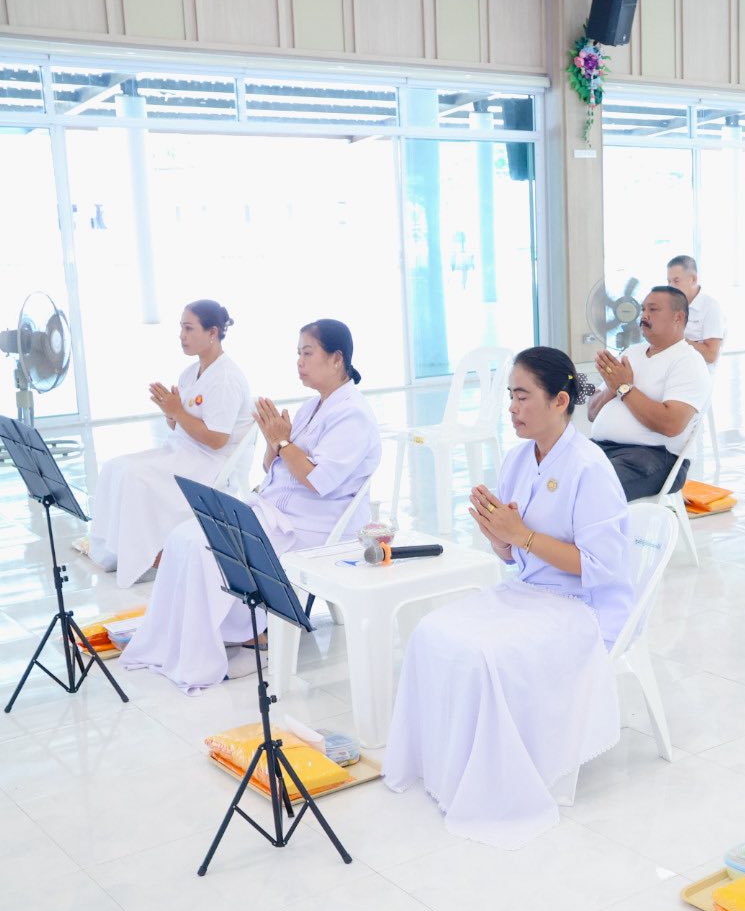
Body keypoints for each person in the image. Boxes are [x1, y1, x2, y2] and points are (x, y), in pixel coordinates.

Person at [384, 347, 632, 848]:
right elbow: (515, 555)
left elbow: (601, 567)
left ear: (560, 400)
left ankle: (499, 778)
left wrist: (520, 537)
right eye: (509, 397)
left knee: (485, 655)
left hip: (582, 606)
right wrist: (498, 535)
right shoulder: (519, 458)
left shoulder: (589, 466)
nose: (512, 408)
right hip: (528, 591)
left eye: (522, 397)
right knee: (431, 631)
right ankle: (443, 765)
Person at [120, 319, 381, 693]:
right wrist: (274, 443)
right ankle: (179, 638)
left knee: (204, 547)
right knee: (184, 536)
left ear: (337, 359)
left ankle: (223, 639)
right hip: (274, 509)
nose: (299, 362)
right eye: (298, 354)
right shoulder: (312, 406)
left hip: (309, 525)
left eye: (308, 353)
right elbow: (271, 468)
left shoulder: (353, 413)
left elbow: (318, 481)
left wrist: (285, 444)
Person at [87, 300, 253, 587]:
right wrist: (171, 412)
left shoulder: (226, 379)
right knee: (115, 467)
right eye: (181, 327)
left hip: (208, 462)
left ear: (212, 332)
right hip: (181, 450)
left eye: (189, 328)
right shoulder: (191, 372)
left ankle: (145, 556)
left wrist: (177, 412)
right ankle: (115, 551)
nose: (182, 335)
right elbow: (180, 424)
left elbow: (216, 439)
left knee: (134, 475)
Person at [588, 286, 712, 501]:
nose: (644, 315)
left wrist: (625, 388)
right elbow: (592, 413)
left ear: (678, 317)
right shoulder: (631, 352)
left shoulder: (688, 361)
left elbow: (671, 425)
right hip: (602, 448)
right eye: (643, 309)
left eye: (653, 310)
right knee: (550, 470)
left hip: (653, 457)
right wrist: (612, 384)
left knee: (590, 487)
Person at [666, 254, 726, 365]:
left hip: (696, 375)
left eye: (676, 281)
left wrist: (679, 340)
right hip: (674, 367)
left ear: (693, 279)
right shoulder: (672, 304)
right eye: (669, 281)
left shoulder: (711, 308)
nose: (671, 286)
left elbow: (711, 355)